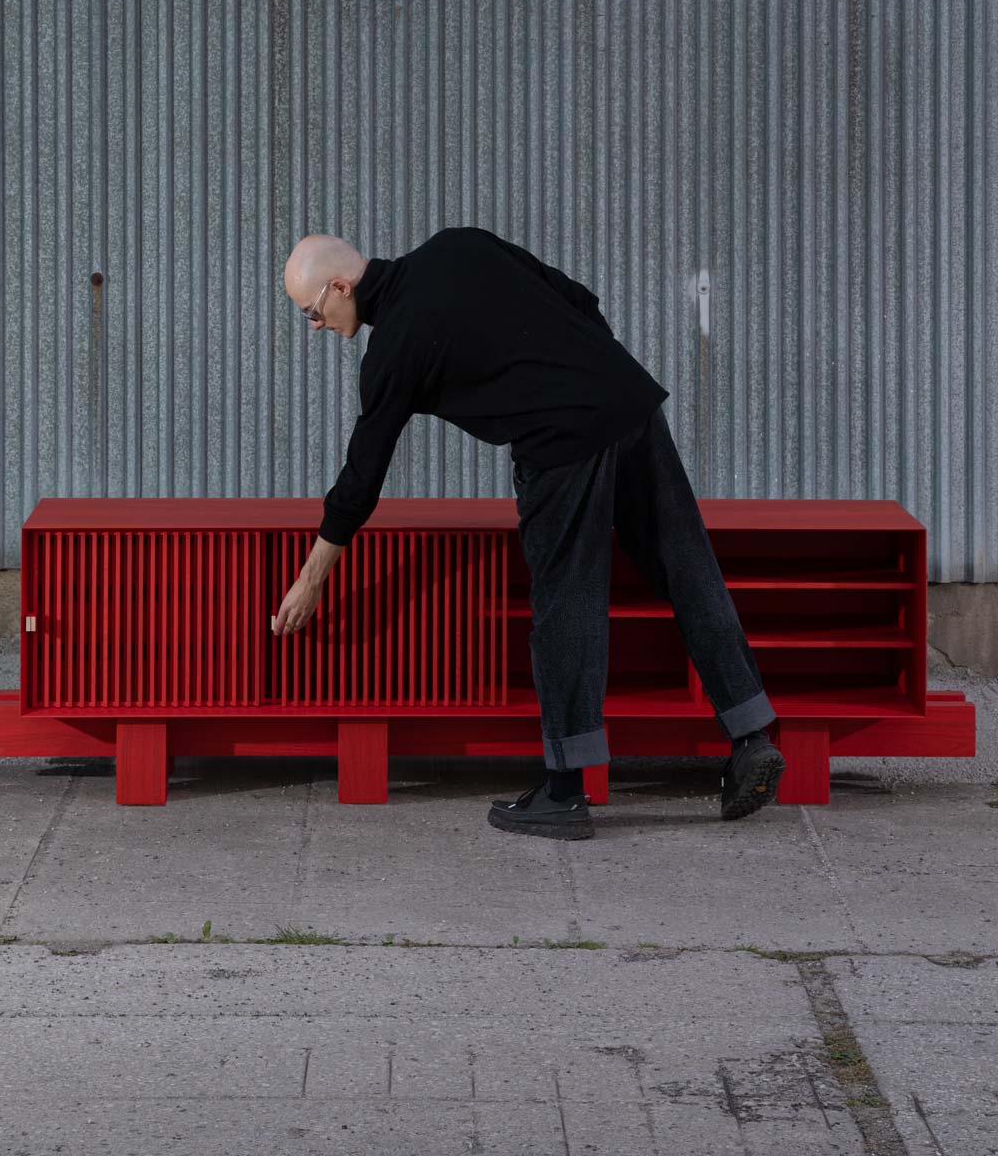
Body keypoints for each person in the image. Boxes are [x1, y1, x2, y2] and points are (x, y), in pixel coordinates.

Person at [276, 226, 784, 840]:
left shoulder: (391, 352)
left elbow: (361, 477)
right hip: (626, 399)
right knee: (686, 568)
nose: (315, 325)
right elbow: (580, 298)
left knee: (567, 605)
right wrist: (592, 380)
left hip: (559, 442)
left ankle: (564, 792)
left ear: (340, 286)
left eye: (311, 310)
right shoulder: (458, 245)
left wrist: (312, 579)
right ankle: (751, 736)